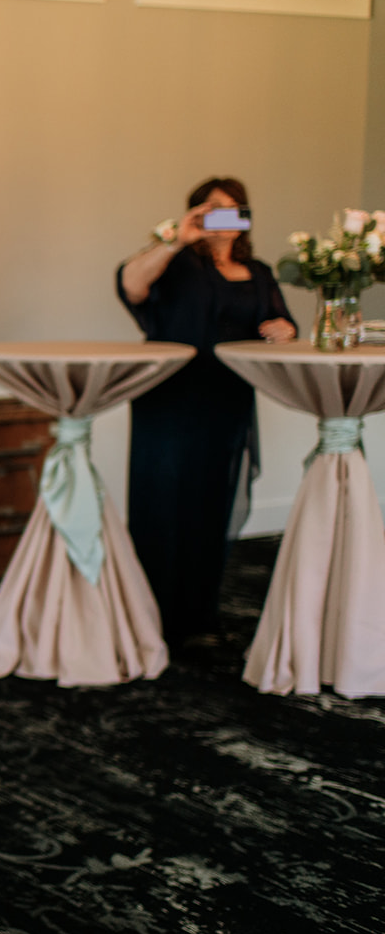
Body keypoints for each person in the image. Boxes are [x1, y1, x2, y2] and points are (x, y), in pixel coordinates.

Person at [117, 177, 296, 641]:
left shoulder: (257, 270)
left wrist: (282, 330)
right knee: (163, 503)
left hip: (227, 400)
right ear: (195, 213)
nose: (225, 218)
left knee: (210, 505)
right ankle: (151, 615)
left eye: (234, 209)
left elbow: (281, 323)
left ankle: (198, 614)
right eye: (212, 209)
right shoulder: (176, 264)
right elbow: (130, 285)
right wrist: (177, 239)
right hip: (171, 400)